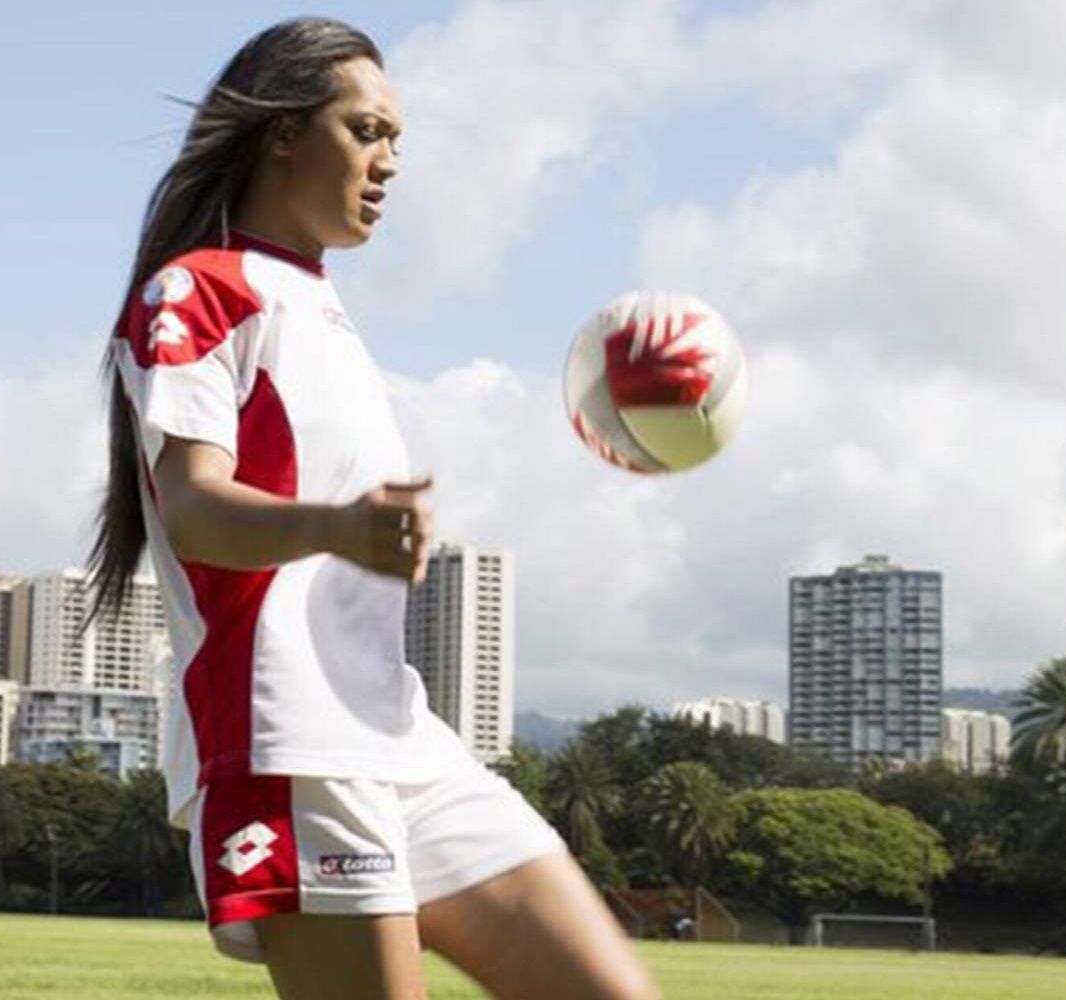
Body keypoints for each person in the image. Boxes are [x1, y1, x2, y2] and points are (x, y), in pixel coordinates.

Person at [86, 16, 661, 1000]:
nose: (389, 161)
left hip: (397, 734)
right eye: (365, 131)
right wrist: (334, 527)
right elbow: (191, 508)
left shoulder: (320, 305)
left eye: (396, 138)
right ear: (278, 132)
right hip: (284, 743)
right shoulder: (197, 291)